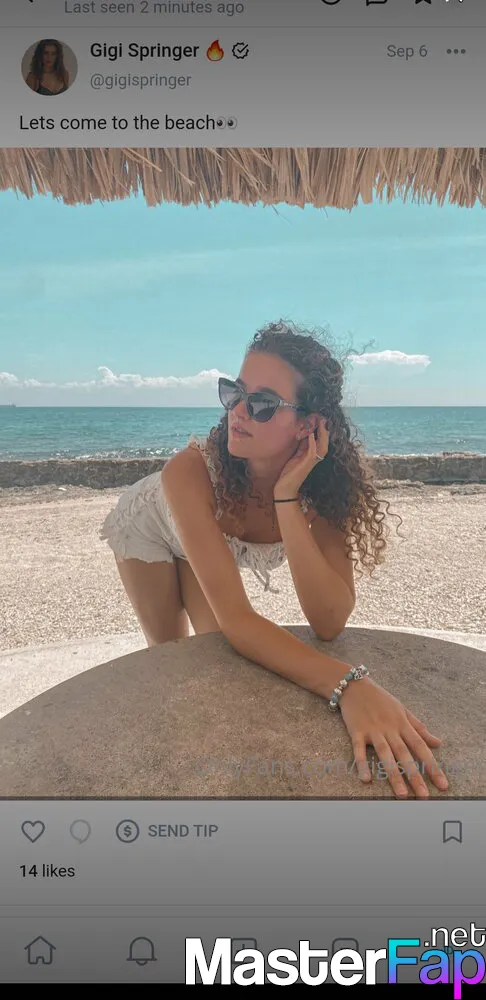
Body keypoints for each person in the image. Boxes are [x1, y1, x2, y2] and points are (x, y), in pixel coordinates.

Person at [100, 320, 449, 800]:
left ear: (308, 424)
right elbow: (242, 621)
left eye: (262, 403)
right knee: (172, 657)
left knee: (220, 658)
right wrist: (350, 686)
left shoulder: (323, 491)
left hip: (213, 532)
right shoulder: (189, 470)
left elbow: (329, 621)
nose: (238, 412)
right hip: (151, 528)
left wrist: (288, 496)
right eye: (235, 393)